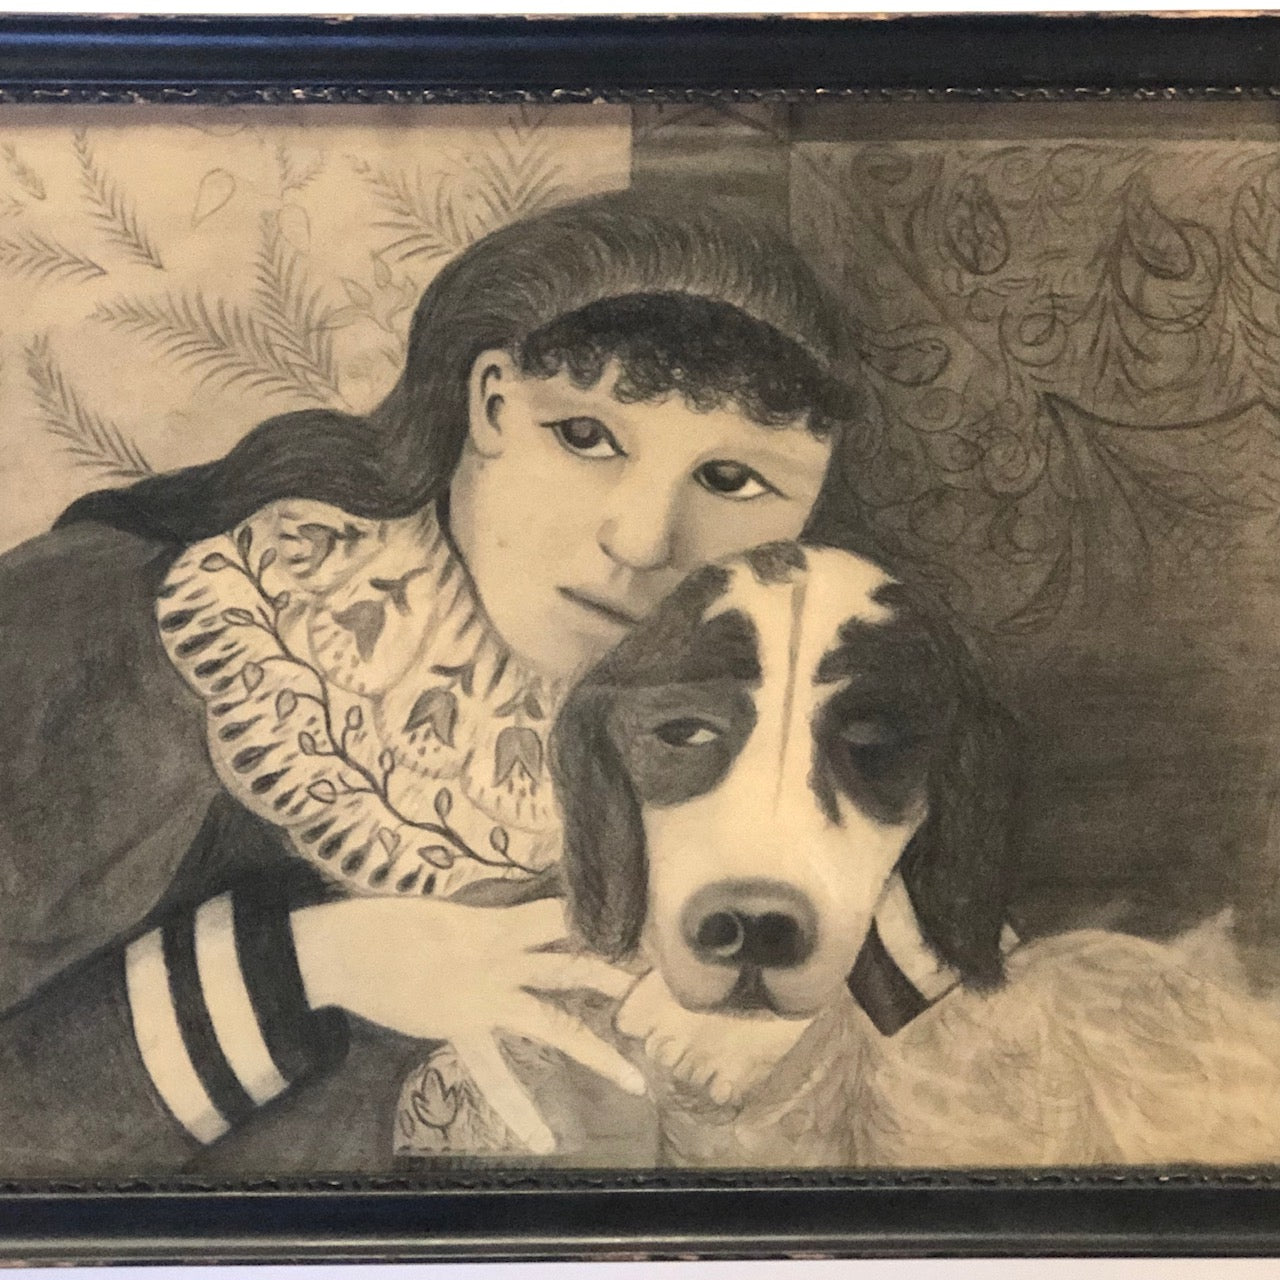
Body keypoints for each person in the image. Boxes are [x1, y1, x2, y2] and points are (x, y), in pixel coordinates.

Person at [0, 190, 874, 1175]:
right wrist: (312, 964)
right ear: (490, 402)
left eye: (732, 482)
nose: (640, 540)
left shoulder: (806, 753)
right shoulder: (129, 623)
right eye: (585, 436)